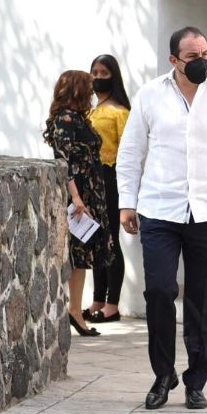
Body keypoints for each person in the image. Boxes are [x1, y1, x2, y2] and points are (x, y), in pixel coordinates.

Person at [117, 26, 207, 411]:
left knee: (200, 299)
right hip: (159, 210)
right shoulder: (150, 95)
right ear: (174, 60)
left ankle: (196, 380)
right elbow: (130, 153)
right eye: (193, 57)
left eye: (205, 55)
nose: (202, 62)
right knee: (160, 291)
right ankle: (163, 375)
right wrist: (127, 202)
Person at [43, 70, 116, 338]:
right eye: (88, 87)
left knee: (83, 254)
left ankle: (75, 309)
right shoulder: (65, 119)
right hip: (79, 194)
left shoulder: (76, 118)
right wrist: (75, 197)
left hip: (89, 192)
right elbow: (63, 161)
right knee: (76, 253)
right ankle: (72, 310)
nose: (92, 92)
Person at [81, 54, 131, 324]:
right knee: (94, 239)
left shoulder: (120, 112)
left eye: (104, 73)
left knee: (111, 240)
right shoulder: (89, 110)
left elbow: (128, 151)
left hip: (111, 178)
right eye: (95, 72)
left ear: (114, 76)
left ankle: (112, 304)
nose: (98, 78)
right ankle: (97, 299)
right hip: (91, 181)